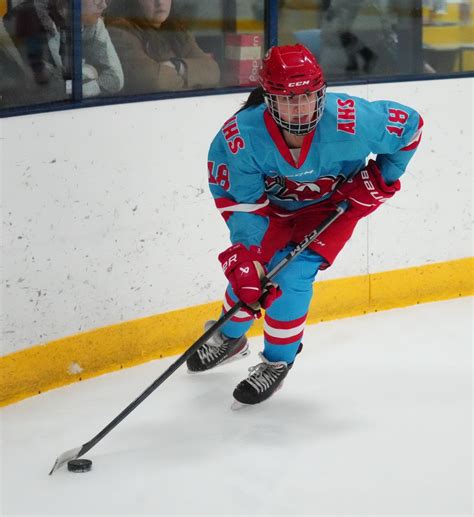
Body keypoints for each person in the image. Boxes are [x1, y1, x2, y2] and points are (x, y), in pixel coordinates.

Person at [186, 44, 423, 407]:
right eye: (287, 100)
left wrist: (380, 179)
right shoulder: (241, 136)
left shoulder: (350, 119)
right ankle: (230, 336)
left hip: (332, 207)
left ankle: (277, 362)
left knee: (292, 274)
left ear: (321, 92)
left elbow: (411, 127)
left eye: (309, 97)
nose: (300, 109)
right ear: (268, 99)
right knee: (252, 274)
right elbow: (246, 206)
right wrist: (249, 252)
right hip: (269, 211)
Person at [105, 0, 220, 94]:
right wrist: (194, 77)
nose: (160, 2)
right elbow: (154, 81)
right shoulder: (119, 31)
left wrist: (178, 66)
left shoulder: (177, 30)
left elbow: (213, 71)